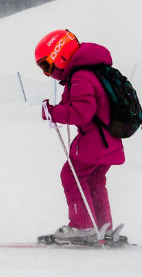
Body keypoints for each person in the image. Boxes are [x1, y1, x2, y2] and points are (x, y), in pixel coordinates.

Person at [35, 29, 124, 243]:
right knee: (94, 180)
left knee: (71, 176)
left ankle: (83, 226)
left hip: (94, 141)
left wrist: (52, 113)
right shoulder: (93, 71)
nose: (47, 73)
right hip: (109, 139)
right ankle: (103, 226)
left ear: (61, 55)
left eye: (47, 66)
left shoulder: (81, 76)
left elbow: (82, 113)